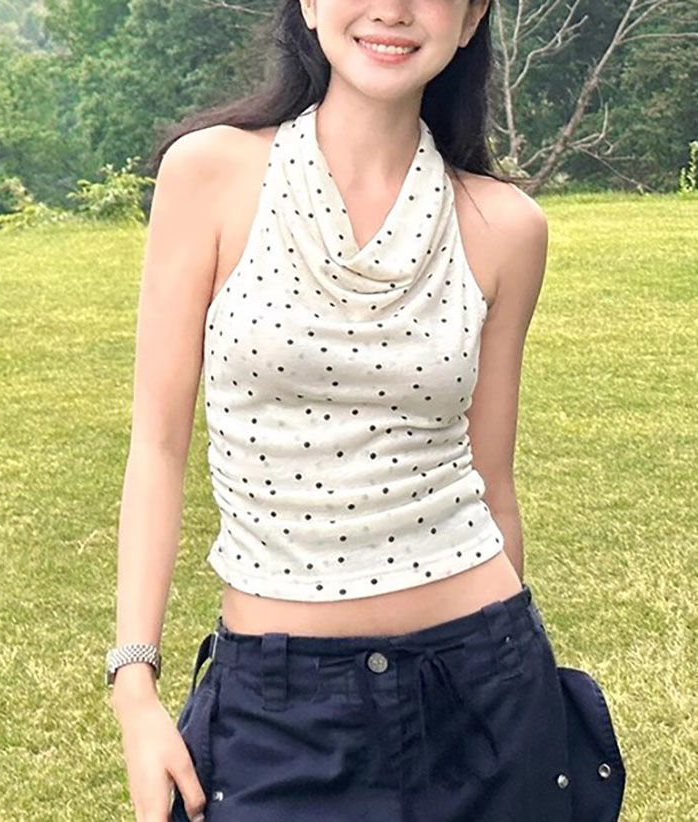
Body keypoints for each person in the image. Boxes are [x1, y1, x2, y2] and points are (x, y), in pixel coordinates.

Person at [106, 1, 569, 821]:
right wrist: (135, 689)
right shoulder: (209, 176)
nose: (392, 9)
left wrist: (512, 689)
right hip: (277, 707)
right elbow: (158, 444)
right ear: (311, 4)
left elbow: (493, 483)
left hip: (482, 690)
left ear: (471, 19)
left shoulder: (506, 227)